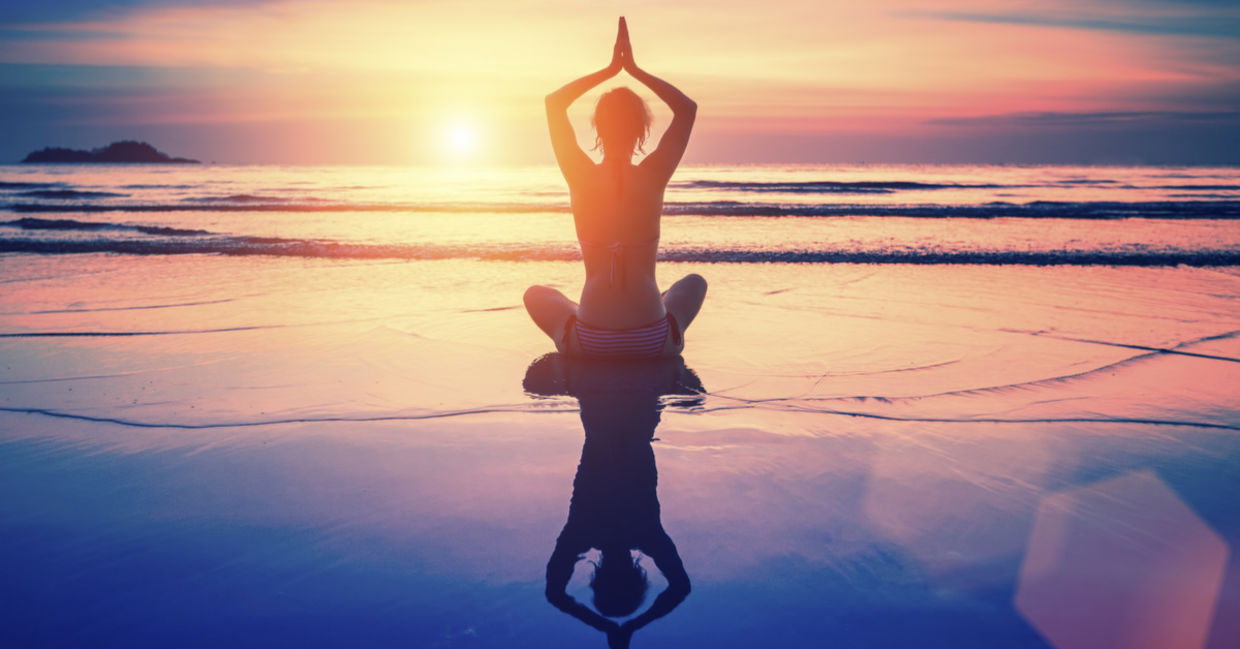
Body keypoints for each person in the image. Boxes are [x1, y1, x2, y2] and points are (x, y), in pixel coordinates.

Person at [524, 17, 707, 359]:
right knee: (693, 284)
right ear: (641, 131)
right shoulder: (653, 174)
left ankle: (583, 317)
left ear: (597, 129)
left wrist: (609, 70)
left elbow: (554, 103)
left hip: (592, 340)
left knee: (537, 295)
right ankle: (669, 329)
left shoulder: (579, 174)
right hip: (651, 340)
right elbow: (687, 109)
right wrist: (634, 70)